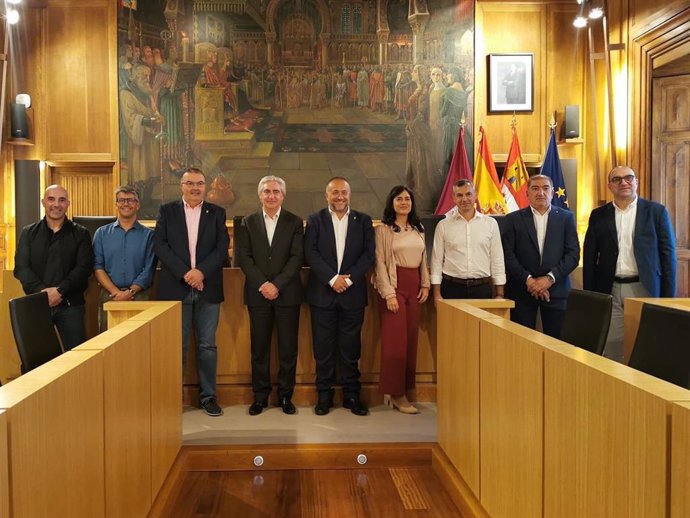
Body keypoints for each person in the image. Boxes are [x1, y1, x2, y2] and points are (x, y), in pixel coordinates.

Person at [154, 167, 229, 417]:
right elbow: (160, 246)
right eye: (190, 183)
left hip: (208, 288)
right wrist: (186, 273)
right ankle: (173, 398)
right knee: (177, 346)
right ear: (181, 186)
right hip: (176, 287)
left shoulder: (217, 213)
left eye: (199, 184)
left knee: (208, 346)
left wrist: (200, 273)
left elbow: (222, 248)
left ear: (205, 186)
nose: (195, 188)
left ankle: (208, 397)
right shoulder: (167, 211)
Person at [583, 166, 676, 362]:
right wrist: (591, 296)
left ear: (636, 182)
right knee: (612, 345)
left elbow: (668, 256)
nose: (623, 182)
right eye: (617, 179)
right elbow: (590, 257)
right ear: (610, 186)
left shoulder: (656, 212)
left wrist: (669, 299)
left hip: (646, 288)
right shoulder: (599, 215)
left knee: (648, 344)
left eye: (628, 178)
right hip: (610, 289)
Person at [304, 177, 375, 416]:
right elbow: (310, 253)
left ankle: (352, 396)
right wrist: (333, 279)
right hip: (323, 293)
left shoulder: (363, 221)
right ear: (327, 196)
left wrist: (349, 279)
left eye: (343, 192)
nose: (339, 197)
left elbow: (368, 255)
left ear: (350, 194)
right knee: (323, 349)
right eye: (335, 193)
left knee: (351, 348)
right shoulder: (315, 220)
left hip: (352, 294)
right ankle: (324, 396)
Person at [235, 176, 304, 416]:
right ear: (260, 195)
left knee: (287, 349)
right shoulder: (247, 222)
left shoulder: (294, 222)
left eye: (276, 191)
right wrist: (263, 284)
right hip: (258, 294)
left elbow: (297, 257)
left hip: (287, 295)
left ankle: (286, 396)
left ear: (283, 195)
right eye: (267, 191)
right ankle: (260, 397)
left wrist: (277, 285)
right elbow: (244, 257)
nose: (271, 195)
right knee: (259, 349)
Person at [14, 185, 94, 350]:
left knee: (76, 359)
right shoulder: (28, 233)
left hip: (71, 307)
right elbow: (21, 268)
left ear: (68, 204)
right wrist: (43, 293)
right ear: (43, 202)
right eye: (51, 199)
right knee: (37, 361)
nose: (56, 204)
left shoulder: (81, 233)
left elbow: (84, 268)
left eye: (62, 200)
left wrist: (60, 291)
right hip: (37, 305)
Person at [373, 186, 430, 414]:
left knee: (411, 340)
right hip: (394, 287)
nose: (404, 202)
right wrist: (388, 293)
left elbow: (424, 258)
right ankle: (396, 393)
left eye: (407, 199)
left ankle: (405, 388)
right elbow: (379, 263)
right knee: (395, 343)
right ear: (392, 202)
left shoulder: (419, 228)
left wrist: (425, 283)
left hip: (414, 286)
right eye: (399, 199)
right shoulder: (383, 230)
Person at [501, 174, 580, 338]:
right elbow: (508, 255)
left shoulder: (566, 218)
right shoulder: (513, 219)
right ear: (527, 193)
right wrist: (529, 280)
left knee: (558, 344)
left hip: (556, 290)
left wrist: (549, 279)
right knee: (521, 343)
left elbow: (573, 254)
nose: (541, 193)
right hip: (521, 290)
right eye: (535, 188)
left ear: (552, 192)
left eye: (545, 188)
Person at [93, 186, 156, 333]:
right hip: (109, 296)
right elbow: (98, 267)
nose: (126, 204)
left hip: (139, 296)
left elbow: (148, 269)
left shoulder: (149, 235)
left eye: (130, 200)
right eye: (121, 200)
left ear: (138, 204)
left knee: (139, 342)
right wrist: (116, 292)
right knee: (108, 343)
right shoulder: (101, 234)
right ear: (116, 204)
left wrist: (129, 293)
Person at [431, 179, 506, 300]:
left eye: (468, 194)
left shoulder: (490, 224)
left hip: (482, 288)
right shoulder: (443, 225)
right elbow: (436, 261)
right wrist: (436, 294)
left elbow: (497, 259)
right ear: (454, 198)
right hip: (451, 288)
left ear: (475, 195)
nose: (464, 199)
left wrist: (500, 294)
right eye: (459, 195)